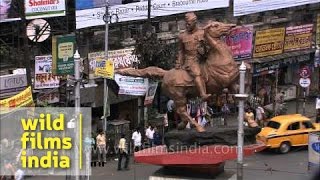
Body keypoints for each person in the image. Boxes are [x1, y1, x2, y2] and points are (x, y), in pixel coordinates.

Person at [175, 12, 211, 101]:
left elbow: (209, 46)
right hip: (190, 60)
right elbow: (181, 51)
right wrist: (179, 62)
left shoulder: (202, 33)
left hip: (204, 58)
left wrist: (205, 48)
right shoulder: (182, 36)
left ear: (195, 23)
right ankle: (202, 94)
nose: (187, 26)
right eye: (186, 24)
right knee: (197, 73)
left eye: (189, 24)